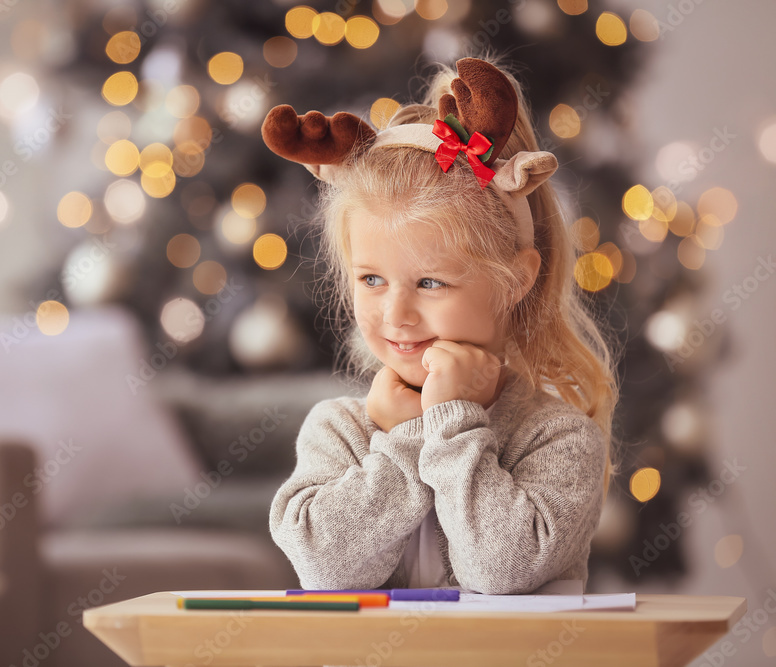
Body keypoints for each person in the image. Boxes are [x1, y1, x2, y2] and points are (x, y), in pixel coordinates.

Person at [263, 57, 622, 597]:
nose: (395, 315)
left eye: (430, 283)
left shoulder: (558, 438)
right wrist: (406, 436)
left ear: (515, 280)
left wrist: (449, 425)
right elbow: (326, 569)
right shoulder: (339, 430)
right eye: (372, 280)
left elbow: (501, 571)